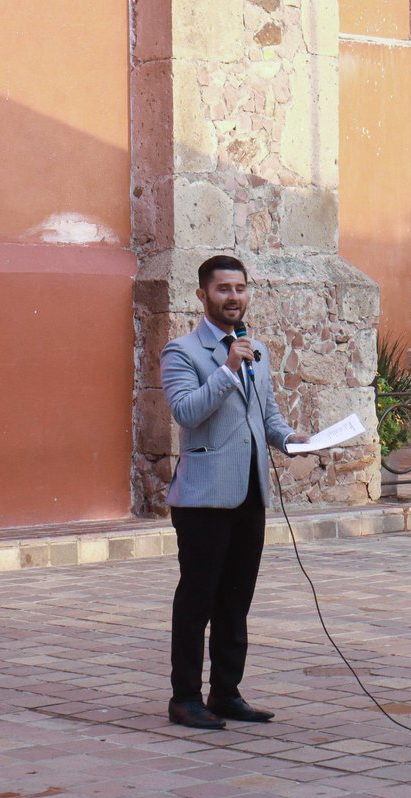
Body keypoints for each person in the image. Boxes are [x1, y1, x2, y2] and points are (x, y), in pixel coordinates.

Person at [161, 255, 309, 729]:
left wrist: (290, 439)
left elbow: (266, 417)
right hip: (203, 499)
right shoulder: (181, 352)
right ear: (203, 294)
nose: (234, 298)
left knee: (236, 601)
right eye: (223, 289)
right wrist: (226, 368)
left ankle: (226, 692)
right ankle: (185, 697)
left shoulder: (256, 351)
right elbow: (186, 412)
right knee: (197, 600)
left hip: (249, 495)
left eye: (240, 288)